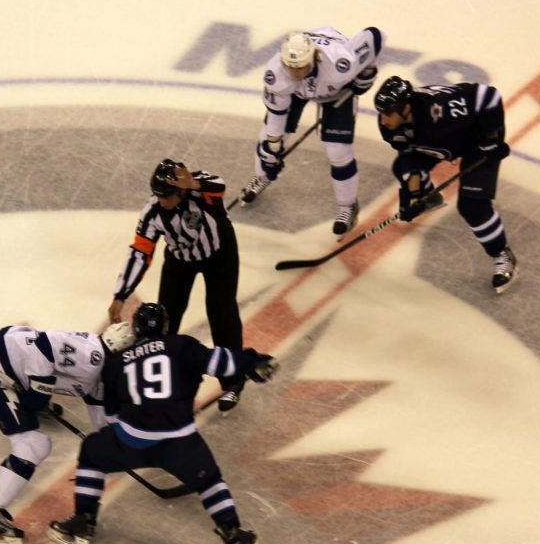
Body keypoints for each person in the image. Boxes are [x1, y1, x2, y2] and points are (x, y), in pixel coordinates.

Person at [49, 302, 276, 544]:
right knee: (209, 482)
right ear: (166, 327)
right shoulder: (181, 346)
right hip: (180, 442)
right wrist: (254, 363)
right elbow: (221, 362)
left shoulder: (117, 363)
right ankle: (235, 536)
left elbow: (111, 413)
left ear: (135, 329)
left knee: (91, 452)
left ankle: (83, 522)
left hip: (132, 440)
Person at [0, 320, 137, 544]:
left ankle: (33, 400)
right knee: (33, 446)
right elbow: (43, 345)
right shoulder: (92, 358)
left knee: (36, 409)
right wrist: (38, 393)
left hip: (11, 355)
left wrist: (113, 444)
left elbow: (100, 415)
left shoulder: (99, 371)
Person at [107, 159, 248, 414]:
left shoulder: (200, 189)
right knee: (165, 319)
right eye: (158, 195)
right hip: (180, 260)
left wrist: (193, 183)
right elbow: (140, 251)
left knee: (222, 314)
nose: (161, 201)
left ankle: (233, 380)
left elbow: (220, 185)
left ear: (181, 190)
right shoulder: (153, 211)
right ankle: (163, 376)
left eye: (166, 196)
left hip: (220, 255)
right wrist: (121, 294)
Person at [373, 75, 518, 293]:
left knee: (473, 207)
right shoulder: (390, 127)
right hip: (439, 143)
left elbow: (487, 96)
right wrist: (415, 196)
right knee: (402, 170)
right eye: (381, 113)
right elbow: (410, 158)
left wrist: (491, 140)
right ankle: (429, 199)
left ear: (406, 108)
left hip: (477, 143)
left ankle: (502, 255)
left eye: (388, 114)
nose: (383, 120)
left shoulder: (441, 109)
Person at [242, 27, 385, 236]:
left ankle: (348, 206)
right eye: (290, 67)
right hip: (297, 93)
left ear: (313, 58)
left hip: (337, 93)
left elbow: (374, 36)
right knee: (268, 140)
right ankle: (261, 176)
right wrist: (272, 150)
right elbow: (276, 117)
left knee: (338, 152)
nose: (295, 73)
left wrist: (367, 73)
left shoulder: (341, 64)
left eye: (300, 67)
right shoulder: (276, 74)